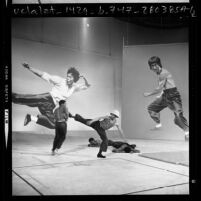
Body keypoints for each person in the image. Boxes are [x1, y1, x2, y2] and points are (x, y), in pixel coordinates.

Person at [12, 63, 90, 129]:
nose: (68, 78)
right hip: (46, 98)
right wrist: (29, 68)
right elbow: (43, 75)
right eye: (67, 76)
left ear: (74, 79)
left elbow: (87, 86)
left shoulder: (75, 87)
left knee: (54, 125)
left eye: (70, 77)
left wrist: (84, 78)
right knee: (19, 98)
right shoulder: (60, 80)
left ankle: (30, 118)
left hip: (51, 106)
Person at [143, 56, 189, 140]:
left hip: (174, 96)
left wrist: (149, 94)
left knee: (178, 118)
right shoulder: (159, 73)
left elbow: (159, 88)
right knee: (151, 108)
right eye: (152, 66)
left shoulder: (163, 73)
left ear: (159, 64)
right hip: (165, 95)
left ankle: (187, 132)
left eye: (155, 65)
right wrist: (161, 94)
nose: (154, 67)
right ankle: (158, 124)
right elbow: (165, 86)